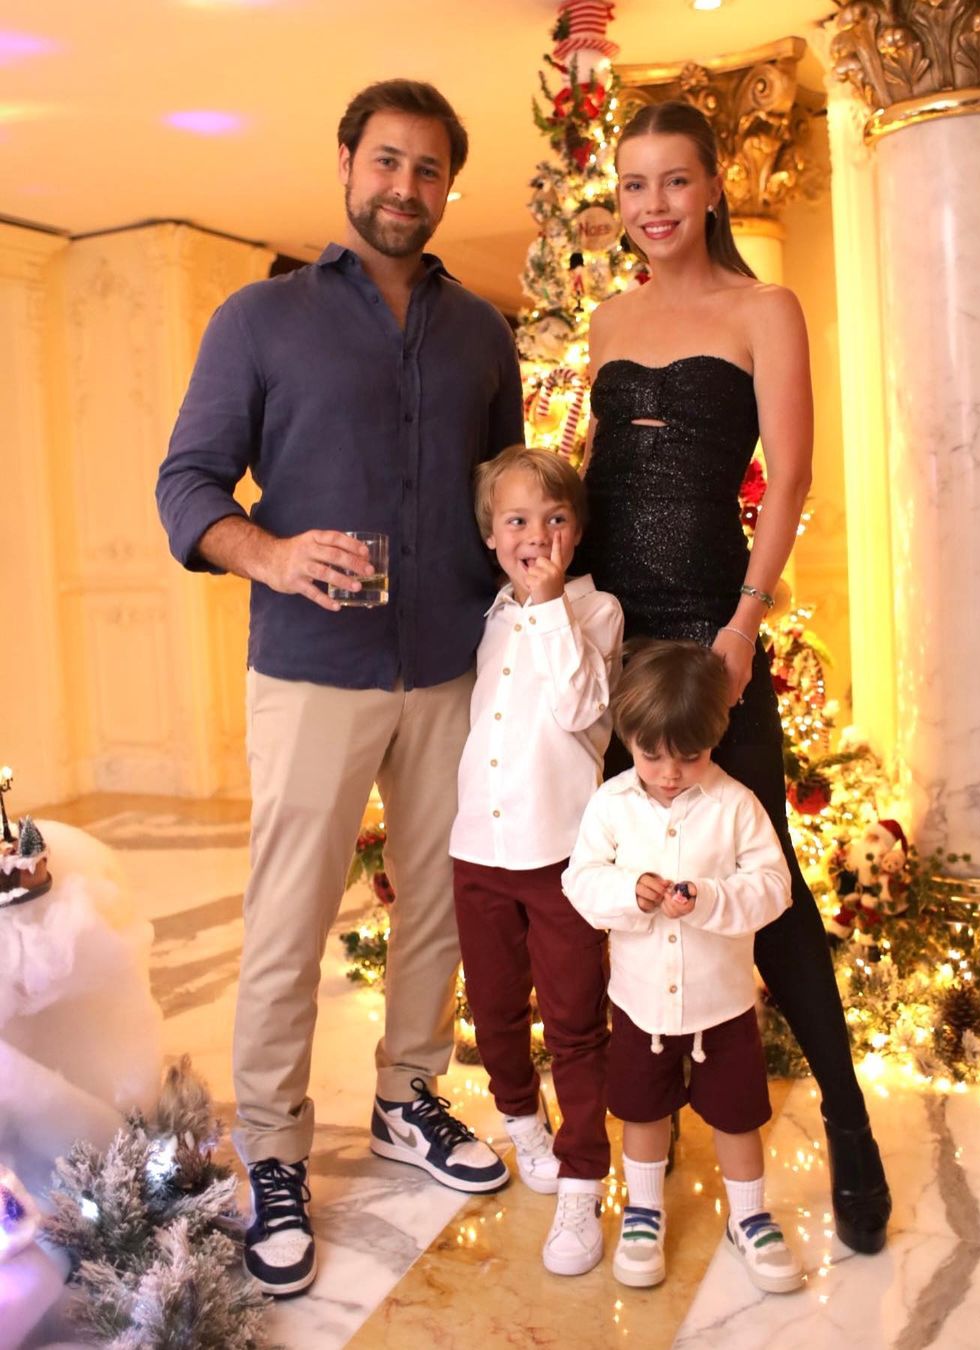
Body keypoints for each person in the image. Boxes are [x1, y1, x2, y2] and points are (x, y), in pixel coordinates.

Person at [156, 79, 524, 1297]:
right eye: (386, 162)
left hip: (454, 664)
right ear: (347, 166)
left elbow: (503, 495)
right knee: (289, 917)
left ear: (448, 185)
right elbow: (188, 484)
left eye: (428, 169)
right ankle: (271, 1152)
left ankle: (410, 1096)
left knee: (441, 903)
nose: (405, 187)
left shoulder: (482, 334)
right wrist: (268, 553)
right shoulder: (260, 320)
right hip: (313, 670)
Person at [578, 99, 891, 1255]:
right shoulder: (608, 320)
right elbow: (596, 479)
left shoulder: (766, 309)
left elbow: (791, 475)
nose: (653, 205)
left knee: (773, 877)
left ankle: (850, 1127)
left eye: (674, 181)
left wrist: (748, 620)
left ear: (712, 186)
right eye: (634, 185)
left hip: (714, 633)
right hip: (617, 637)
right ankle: (637, 1146)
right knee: (624, 864)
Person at [563, 640, 802, 1292]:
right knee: (641, 1112)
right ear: (629, 740)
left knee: (738, 1116)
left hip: (722, 1005)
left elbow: (774, 887)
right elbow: (581, 881)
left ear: (714, 739)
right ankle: (644, 1212)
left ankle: (748, 1217)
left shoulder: (736, 806)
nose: (669, 773)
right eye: (652, 756)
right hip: (640, 1003)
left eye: (689, 757)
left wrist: (712, 899)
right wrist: (628, 893)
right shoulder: (611, 805)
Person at [449, 445, 623, 1276]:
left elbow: (582, 707)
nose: (536, 536)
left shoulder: (597, 612)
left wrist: (550, 604)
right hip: (477, 851)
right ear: (491, 534)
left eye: (555, 519)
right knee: (493, 1010)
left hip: (561, 857)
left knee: (576, 1021)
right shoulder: (487, 617)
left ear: (576, 532)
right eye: (516, 520)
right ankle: (522, 1121)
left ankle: (584, 1181)